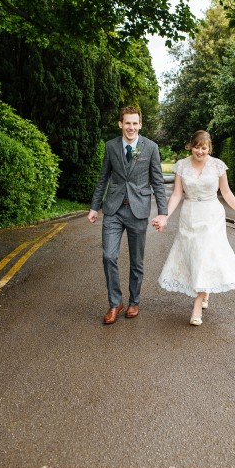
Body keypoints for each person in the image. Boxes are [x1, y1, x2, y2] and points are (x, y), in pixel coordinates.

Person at [153, 131, 235, 325]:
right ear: (191, 146)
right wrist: (165, 217)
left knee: (206, 255)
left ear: (209, 148)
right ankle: (205, 291)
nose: (200, 151)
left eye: (204, 148)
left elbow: (226, 192)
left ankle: (197, 306)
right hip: (189, 216)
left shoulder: (218, 166)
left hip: (212, 216)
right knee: (195, 257)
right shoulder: (181, 166)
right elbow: (177, 195)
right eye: (197, 147)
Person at [88, 106, 167, 324]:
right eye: (127, 123)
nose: (131, 127)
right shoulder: (111, 146)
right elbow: (103, 178)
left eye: (135, 123)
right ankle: (115, 303)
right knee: (108, 256)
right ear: (120, 124)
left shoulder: (150, 147)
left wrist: (163, 213)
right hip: (113, 209)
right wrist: (95, 207)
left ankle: (134, 301)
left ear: (140, 124)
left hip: (138, 210)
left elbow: (158, 182)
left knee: (136, 260)